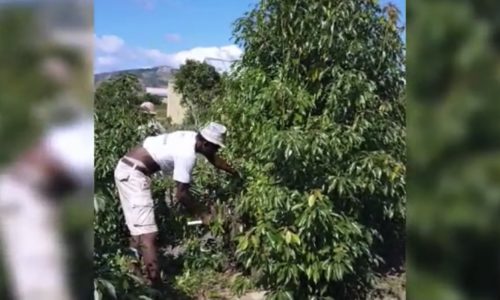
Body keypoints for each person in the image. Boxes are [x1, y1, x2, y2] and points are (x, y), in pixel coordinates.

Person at [114, 122, 239, 287]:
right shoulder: (187, 154)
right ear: (206, 143)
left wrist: (236, 173)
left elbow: (213, 158)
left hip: (129, 169)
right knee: (148, 235)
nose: (216, 151)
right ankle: (156, 287)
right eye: (216, 147)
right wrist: (203, 215)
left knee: (139, 229)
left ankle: (135, 278)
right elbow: (181, 195)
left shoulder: (191, 137)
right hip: (133, 175)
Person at [0, 117, 93, 300]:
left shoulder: (82, 131)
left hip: (23, 189)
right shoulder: (84, 136)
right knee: (43, 284)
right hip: (29, 196)